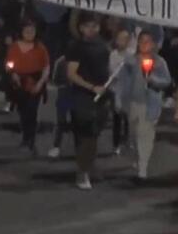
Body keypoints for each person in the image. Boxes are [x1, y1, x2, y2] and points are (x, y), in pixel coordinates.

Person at [115, 30, 172, 182]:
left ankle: (143, 167)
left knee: (145, 134)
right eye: (141, 41)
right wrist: (118, 99)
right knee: (134, 134)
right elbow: (121, 81)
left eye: (147, 41)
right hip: (133, 103)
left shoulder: (159, 62)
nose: (144, 44)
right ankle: (137, 157)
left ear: (153, 44)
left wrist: (153, 79)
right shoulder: (130, 61)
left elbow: (167, 81)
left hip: (150, 104)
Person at [66, 13, 111, 190]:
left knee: (93, 133)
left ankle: (88, 165)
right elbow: (71, 74)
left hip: (102, 95)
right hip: (82, 96)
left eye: (94, 26)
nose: (91, 30)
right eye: (87, 26)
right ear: (81, 28)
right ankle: (82, 172)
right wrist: (91, 87)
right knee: (87, 133)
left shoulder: (103, 45)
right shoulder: (76, 47)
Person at [5, 19, 50, 155]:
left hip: (35, 82)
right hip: (19, 83)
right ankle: (25, 137)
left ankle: (31, 139)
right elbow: (9, 64)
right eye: (27, 31)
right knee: (23, 111)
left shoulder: (40, 48)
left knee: (32, 111)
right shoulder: (14, 47)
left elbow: (46, 66)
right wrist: (13, 74)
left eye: (32, 31)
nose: (30, 34)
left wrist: (41, 82)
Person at [109, 29, 133, 157]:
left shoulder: (132, 54)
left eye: (124, 39)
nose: (121, 41)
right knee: (117, 118)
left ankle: (127, 140)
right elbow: (113, 72)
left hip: (129, 91)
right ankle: (116, 144)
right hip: (116, 90)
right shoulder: (113, 55)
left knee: (129, 119)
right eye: (119, 39)